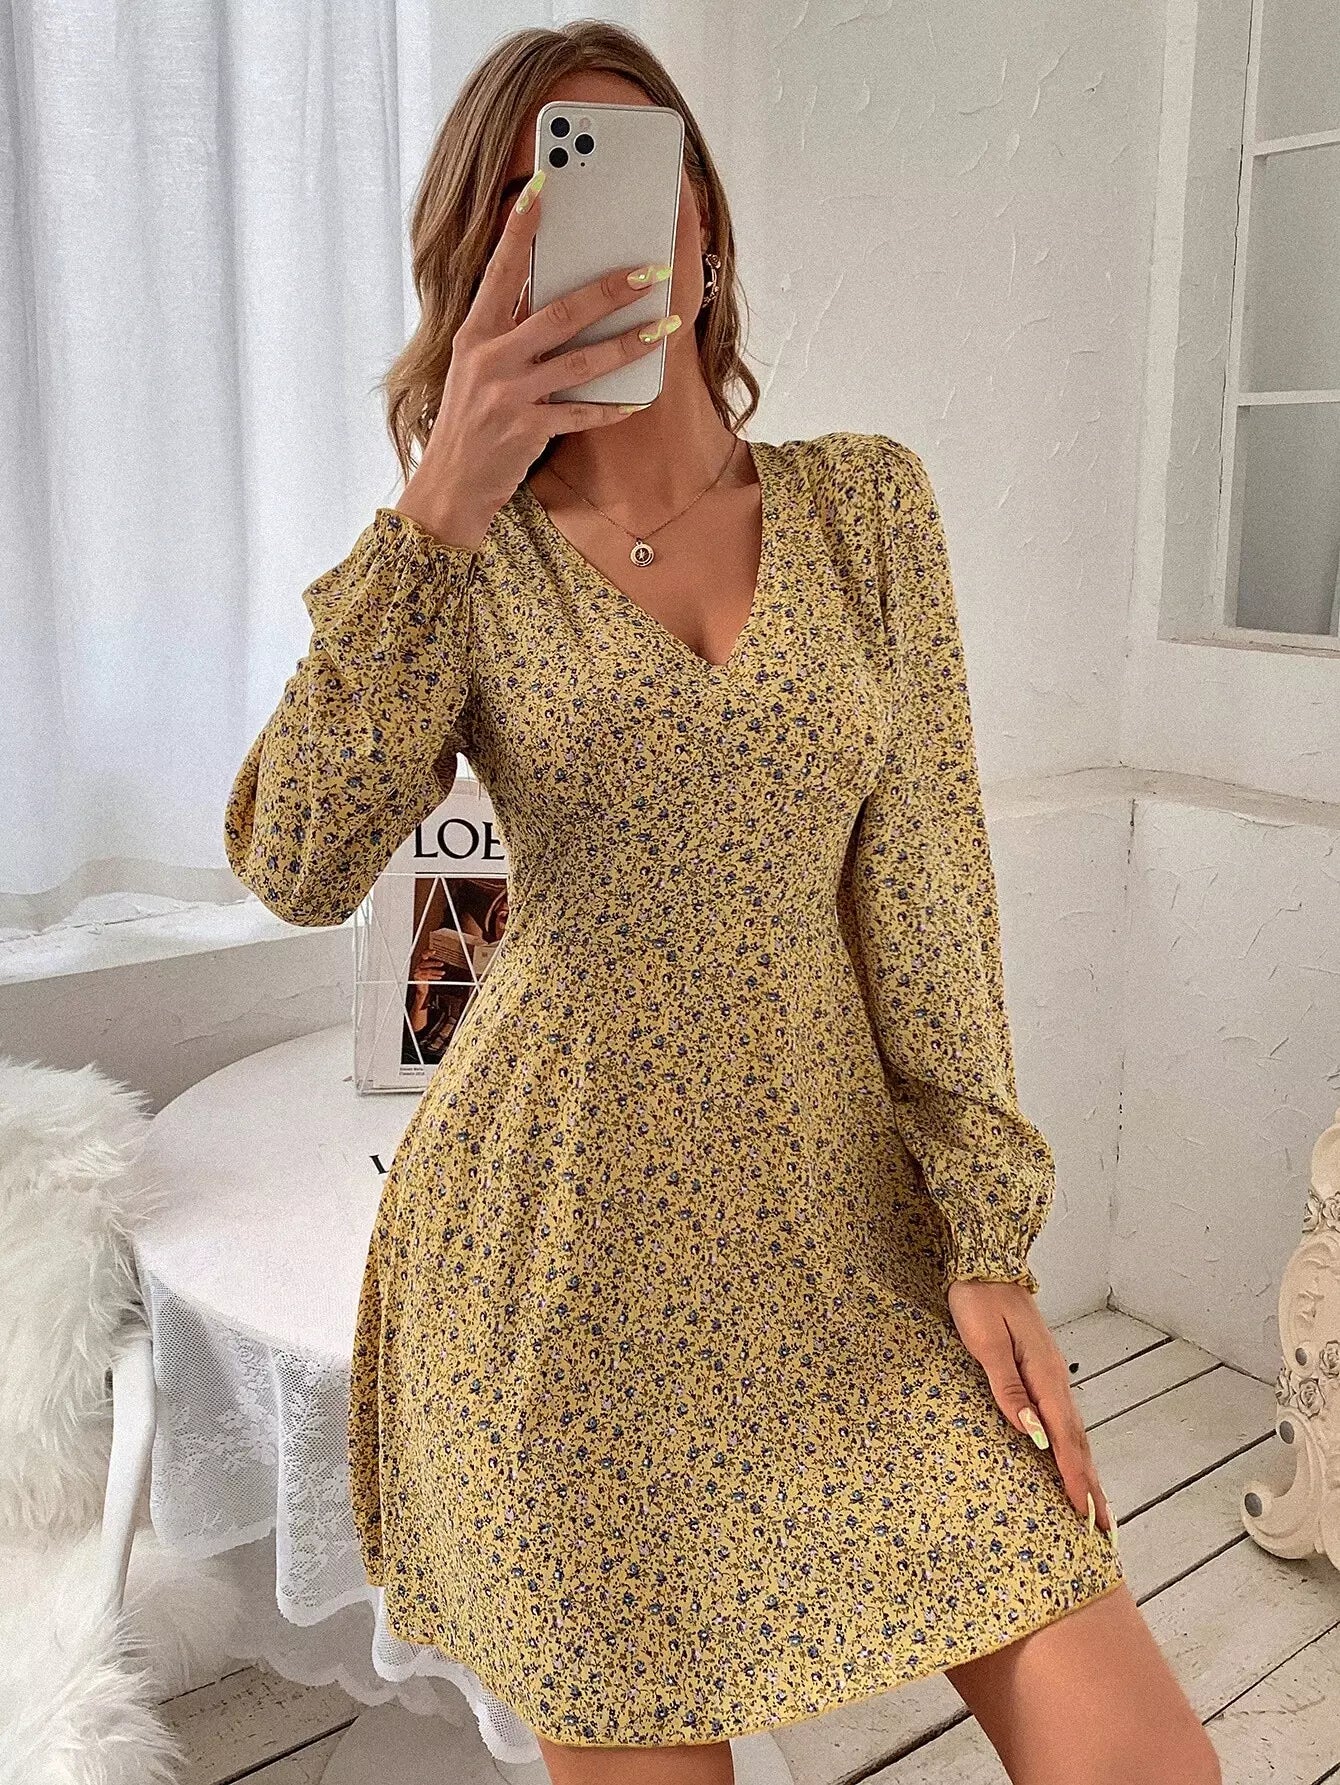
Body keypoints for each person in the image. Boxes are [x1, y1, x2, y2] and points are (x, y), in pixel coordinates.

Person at [223, 21, 1220, 1785]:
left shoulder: (864, 509)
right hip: (559, 1273)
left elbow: (930, 898)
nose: (606, 217)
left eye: (642, 168)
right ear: (482, 262)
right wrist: (439, 500)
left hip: (845, 1239)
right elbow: (296, 858)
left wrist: (987, 1232)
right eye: (542, 191)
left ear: (705, 223)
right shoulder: (464, 564)